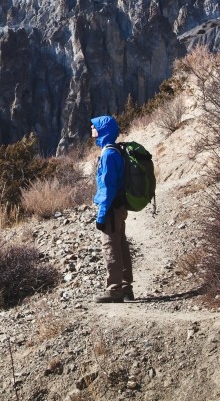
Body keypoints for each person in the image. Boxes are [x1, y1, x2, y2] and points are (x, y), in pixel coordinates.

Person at [92, 115, 133, 302]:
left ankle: (114, 289)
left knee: (110, 246)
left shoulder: (108, 154)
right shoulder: (114, 150)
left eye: (94, 127)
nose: (92, 129)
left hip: (111, 208)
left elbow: (107, 188)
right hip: (119, 206)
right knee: (121, 245)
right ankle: (126, 288)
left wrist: (101, 215)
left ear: (103, 130)